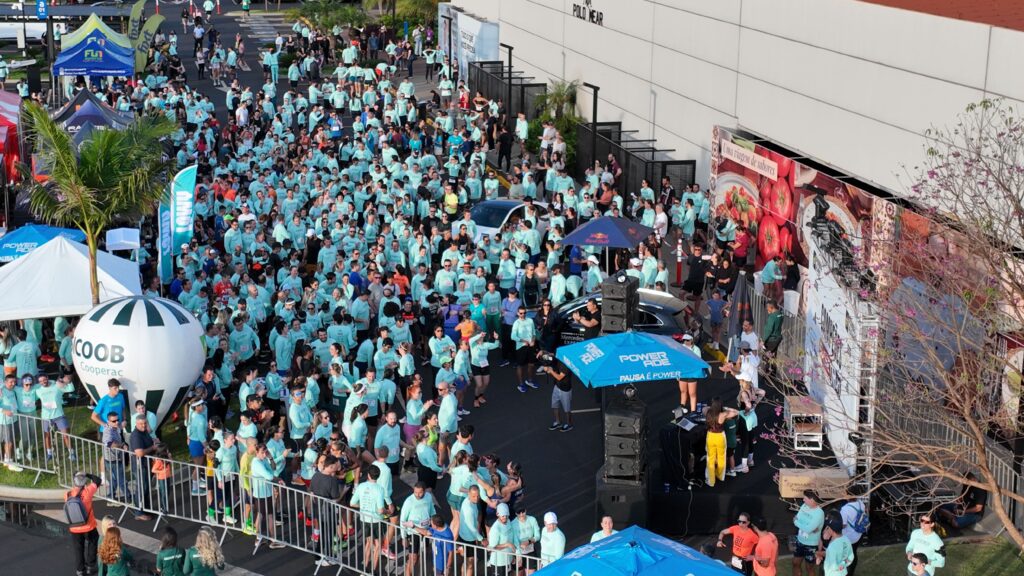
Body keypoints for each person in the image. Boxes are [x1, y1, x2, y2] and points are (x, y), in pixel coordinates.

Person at [68, 471, 103, 576]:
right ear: (84, 482)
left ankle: (80, 570)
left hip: (74, 528)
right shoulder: (88, 492)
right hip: (88, 526)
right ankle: (90, 566)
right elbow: (98, 480)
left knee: (78, 549)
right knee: (93, 544)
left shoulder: (67, 494)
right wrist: (87, 474)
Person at [703, 397, 739, 487]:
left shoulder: (708, 412)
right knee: (721, 457)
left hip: (710, 436)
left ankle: (711, 481)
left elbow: (704, 408)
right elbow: (736, 412)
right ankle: (720, 476)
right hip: (720, 437)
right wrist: (726, 409)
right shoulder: (723, 414)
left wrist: (711, 407)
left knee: (710, 459)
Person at [792, 490, 825, 576]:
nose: (803, 500)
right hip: (800, 540)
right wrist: (807, 526)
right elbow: (796, 518)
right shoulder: (804, 506)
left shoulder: (819, 513)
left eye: (805, 498)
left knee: (809, 568)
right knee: (795, 563)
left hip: (811, 545)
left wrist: (800, 524)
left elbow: (807, 528)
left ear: (812, 499)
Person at [542, 357, 573, 432]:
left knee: (567, 409)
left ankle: (569, 425)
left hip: (565, 390)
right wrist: (549, 367)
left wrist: (550, 371)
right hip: (557, 386)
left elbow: (559, 377)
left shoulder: (566, 364)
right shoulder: (559, 360)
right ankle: (558, 422)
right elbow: (555, 368)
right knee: (554, 405)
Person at [839, 497, 868, 575]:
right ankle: (851, 572)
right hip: (859, 534)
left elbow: (843, 525)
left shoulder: (845, 509)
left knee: (845, 555)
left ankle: (845, 572)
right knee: (854, 553)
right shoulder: (861, 503)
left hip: (848, 537)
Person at [677, 333, 702, 413]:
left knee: (692, 393)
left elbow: (698, 361)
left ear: (691, 340)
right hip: (683, 373)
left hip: (693, 373)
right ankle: (682, 406)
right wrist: (677, 374)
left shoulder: (696, 349)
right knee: (683, 391)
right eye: (684, 340)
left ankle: (693, 411)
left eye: (687, 340)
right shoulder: (680, 348)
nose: (685, 342)